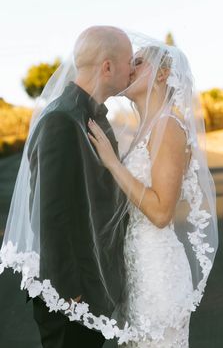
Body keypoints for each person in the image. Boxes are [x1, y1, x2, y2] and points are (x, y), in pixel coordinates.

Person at [0, 26, 133, 348]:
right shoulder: (62, 120)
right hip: (69, 297)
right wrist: (69, 294)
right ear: (107, 67)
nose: (133, 69)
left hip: (90, 287)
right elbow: (51, 214)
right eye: (129, 61)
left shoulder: (87, 116)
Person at [88, 40, 218, 347]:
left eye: (139, 62)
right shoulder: (143, 130)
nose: (129, 69)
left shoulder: (168, 126)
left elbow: (161, 213)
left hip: (159, 274)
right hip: (139, 268)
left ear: (163, 74)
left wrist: (111, 163)